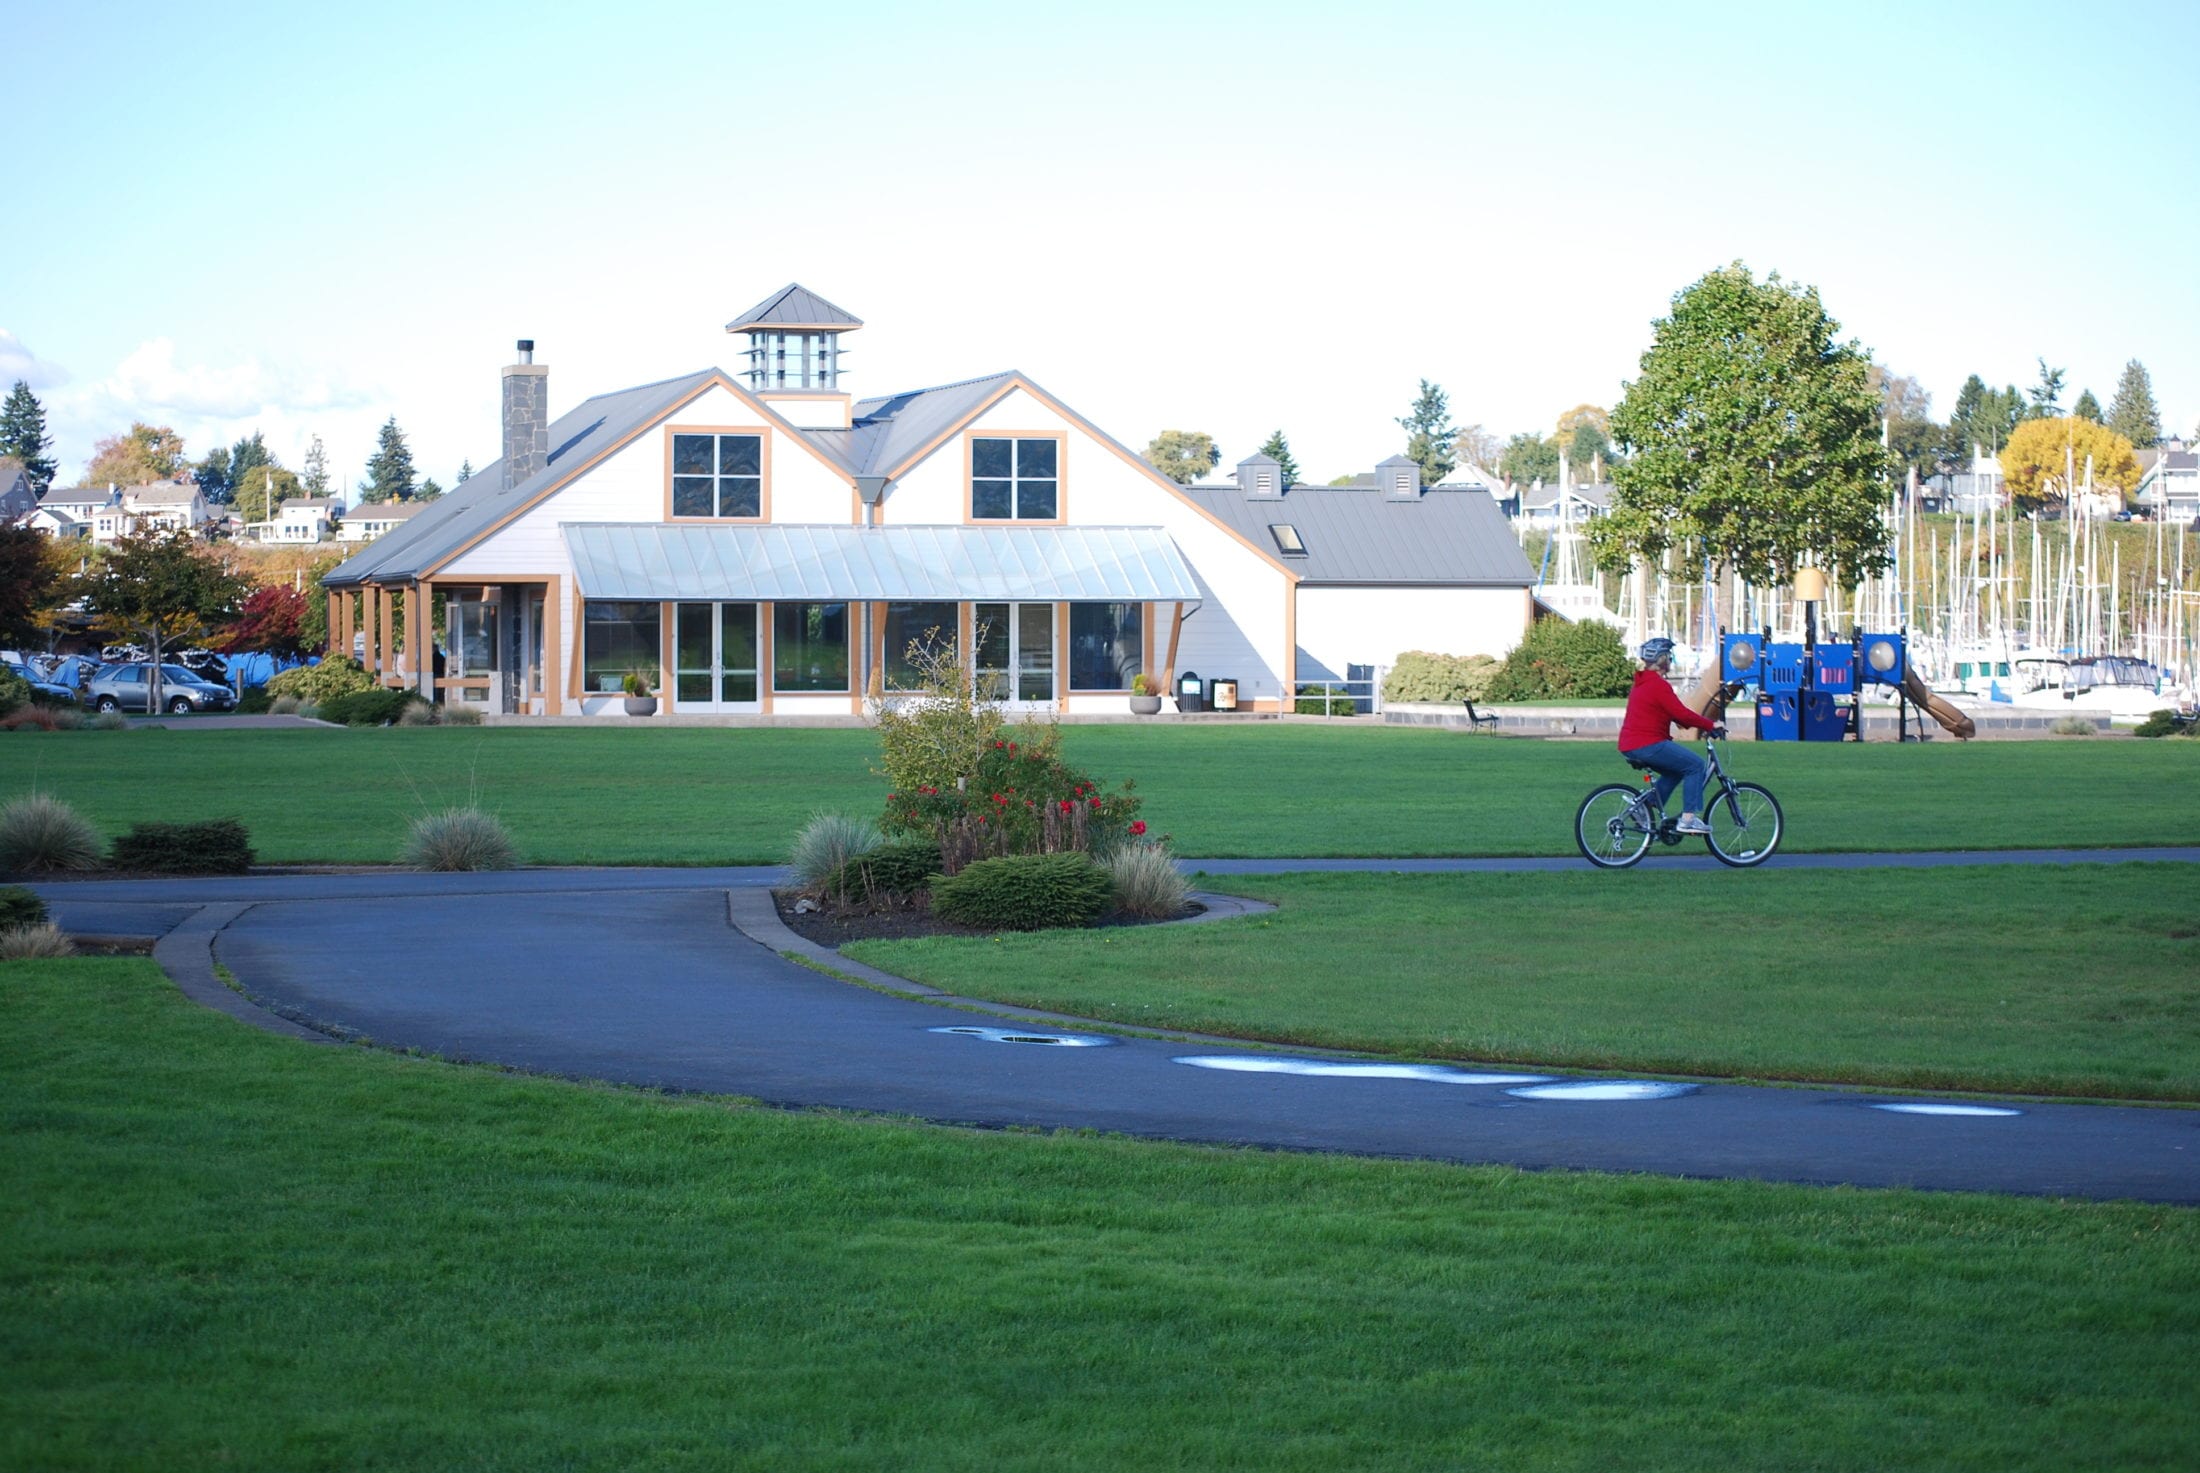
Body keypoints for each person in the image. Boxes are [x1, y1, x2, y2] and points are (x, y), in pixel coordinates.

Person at [1618, 636, 1725, 835]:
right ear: (1661, 659)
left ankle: (1645, 809)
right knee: (1695, 766)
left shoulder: (1641, 684)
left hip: (1632, 744)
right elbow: (1681, 713)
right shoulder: (1659, 686)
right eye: (1668, 656)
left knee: (1675, 771)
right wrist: (1711, 724)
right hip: (1647, 744)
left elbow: (1670, 713)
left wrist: (1688, 724)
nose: (1670, 660)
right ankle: (1688, 819)